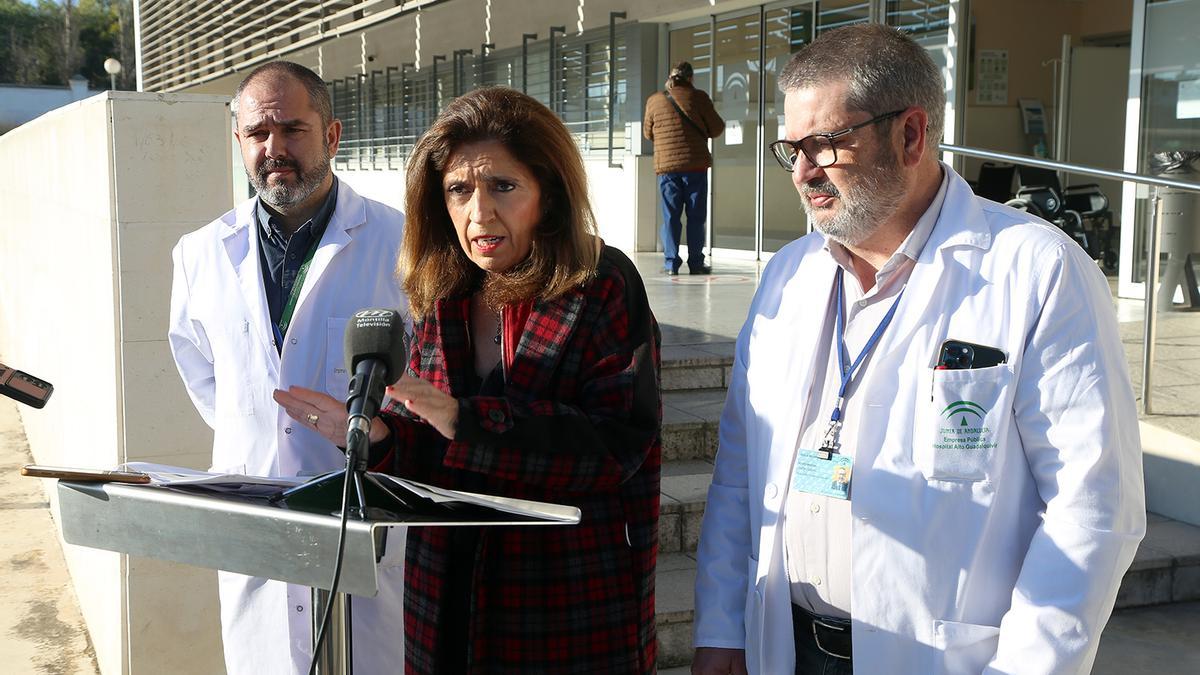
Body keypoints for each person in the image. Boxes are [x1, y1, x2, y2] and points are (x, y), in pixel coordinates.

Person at [692, 25, 1145, 675]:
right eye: (791, 148)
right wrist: (721, 628)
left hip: (945, 658)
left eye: (823, 144)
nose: (801, 171)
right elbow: (740, 469)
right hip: (784, 645)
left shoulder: (1038, 270)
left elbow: (1094, 504)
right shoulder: (787, 275)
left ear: (910, 134)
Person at [275, 86, 663, 674]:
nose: (479, 213)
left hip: (561, 608)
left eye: (503, 187)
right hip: (443, 600)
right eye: (459, 190)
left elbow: (614, 447)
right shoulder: (441, 289)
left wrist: (464, 418)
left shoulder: (600, 281)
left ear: (548, 193)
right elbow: (433, 447)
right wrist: (380, 438)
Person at [167, 61, 407, 674]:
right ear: (239, 142)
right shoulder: (200, 254)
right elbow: (205, 375)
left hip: (366, 518)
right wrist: (256, 433)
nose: (274, 149)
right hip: (255, 518)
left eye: (293, 130)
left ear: (332, 135)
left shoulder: (400, 243)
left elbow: (427, 375)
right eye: (257, 134)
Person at [643, 61, 724, 275]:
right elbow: (717, 128)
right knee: (696, 216)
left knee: (670, 215)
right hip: (695, 166)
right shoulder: (699, 98)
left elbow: (647, 133)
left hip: (667, 168)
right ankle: (696, 262)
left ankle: (671, 263)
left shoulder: (655, 100)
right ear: (690, 78)